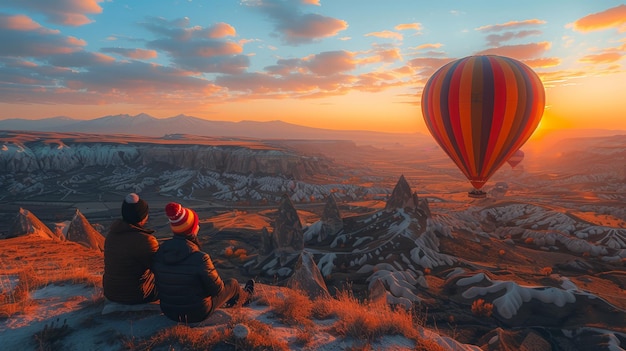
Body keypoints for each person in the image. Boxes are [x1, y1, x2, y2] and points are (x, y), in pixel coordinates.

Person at [153, 202, 254, 323]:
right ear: (192, 230)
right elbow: (217, 290)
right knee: (233, 284)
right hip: (198, 312)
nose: (199, 227)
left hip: (169, 311)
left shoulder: (160, 253)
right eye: (197, 224)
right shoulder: (200, 258)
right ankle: (245, 298)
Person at [103, 193, 159, 304]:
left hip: (111, 293)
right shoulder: (145, 240)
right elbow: (160, 268)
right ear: (142, 217)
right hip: (137, 295)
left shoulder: (112, 234)